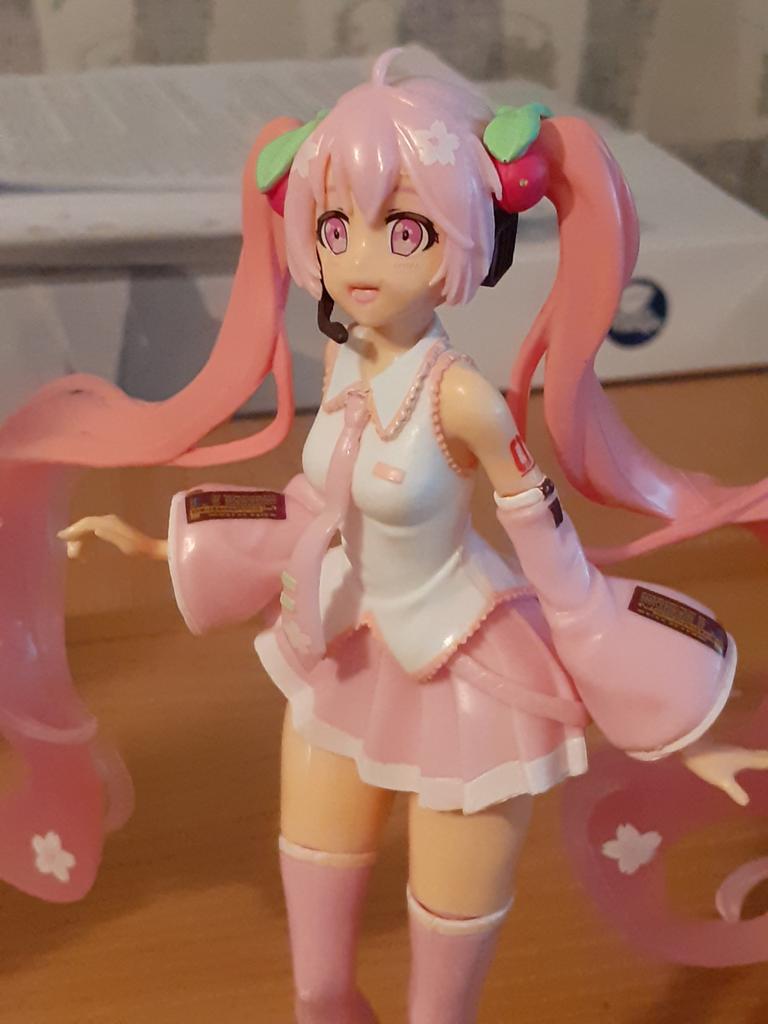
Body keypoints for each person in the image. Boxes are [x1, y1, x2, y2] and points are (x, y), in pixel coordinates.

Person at [17, 48, 768, 1023]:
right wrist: (166, 546)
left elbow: (556, 563)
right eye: (336, 228)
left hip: (465, 673)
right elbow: (322, 505)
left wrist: (669, 724)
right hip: (344, 652)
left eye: (404, 229)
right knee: (318, 969)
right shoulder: (346, 361)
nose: (360, 260)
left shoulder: (462, 400)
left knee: (439, 986)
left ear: (466, 240)